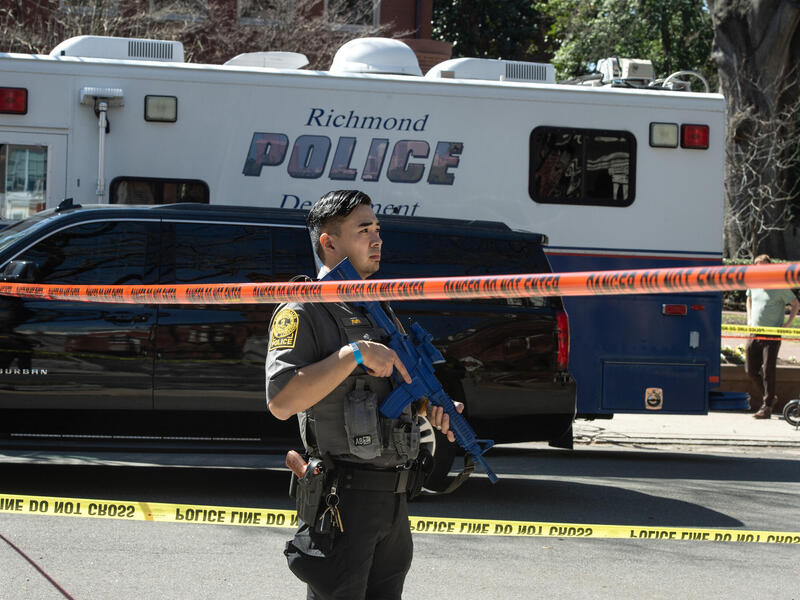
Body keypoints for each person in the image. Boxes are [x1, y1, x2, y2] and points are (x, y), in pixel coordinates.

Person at [265, 190, 461, 599]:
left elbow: (385, 393)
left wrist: (430, 408)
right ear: (329, 243)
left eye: (377, 229)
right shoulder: (303, 309)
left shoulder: (377, 308)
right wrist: (353, 353)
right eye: (363, 230)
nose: (377, 239)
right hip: (344, 500)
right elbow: (281, 401)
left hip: (395, 501)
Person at [745, 254, 800, 419]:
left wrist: (788, 323)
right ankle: (769, 397)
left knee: (768, 370)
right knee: (750, 370)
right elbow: (749, 299)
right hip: (754, 332)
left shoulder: (779, 286)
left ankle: (767, 406)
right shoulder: (753, 283)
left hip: (772, 334)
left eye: (764, 266)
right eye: (758, 267)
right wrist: (748, 318)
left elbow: (795, 303)